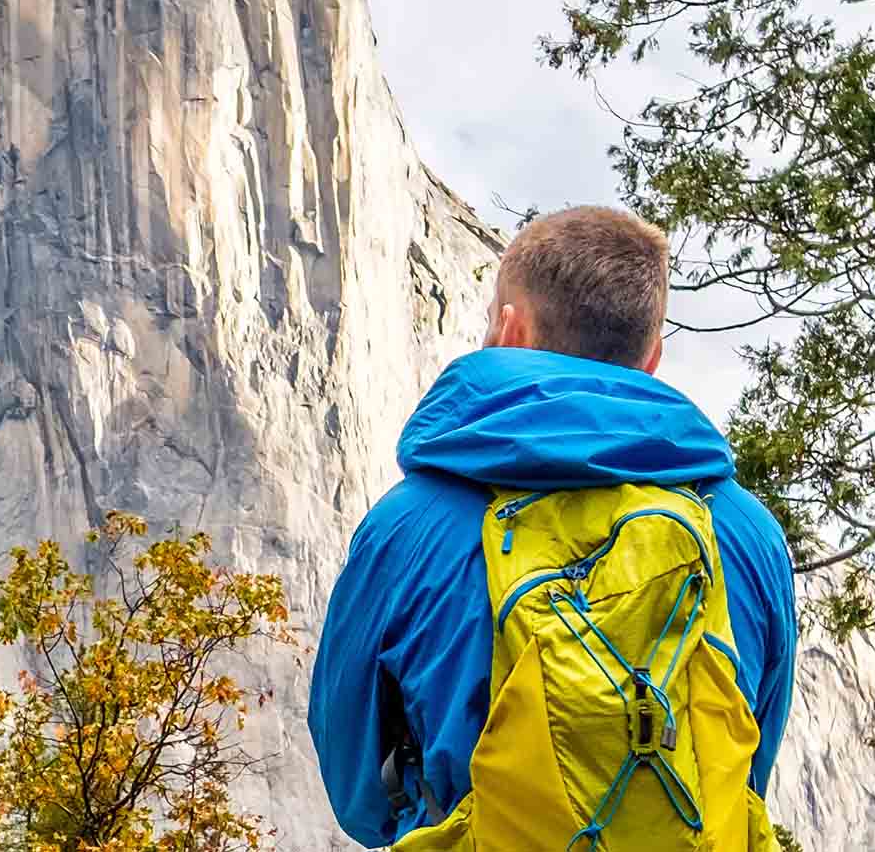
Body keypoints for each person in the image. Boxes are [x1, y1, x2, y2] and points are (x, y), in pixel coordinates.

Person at [309, 205, 798, 849]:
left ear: (510, 329)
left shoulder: (407, 527)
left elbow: (356, 791)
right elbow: (745, 764)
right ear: (651, 357)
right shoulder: (744, 531)